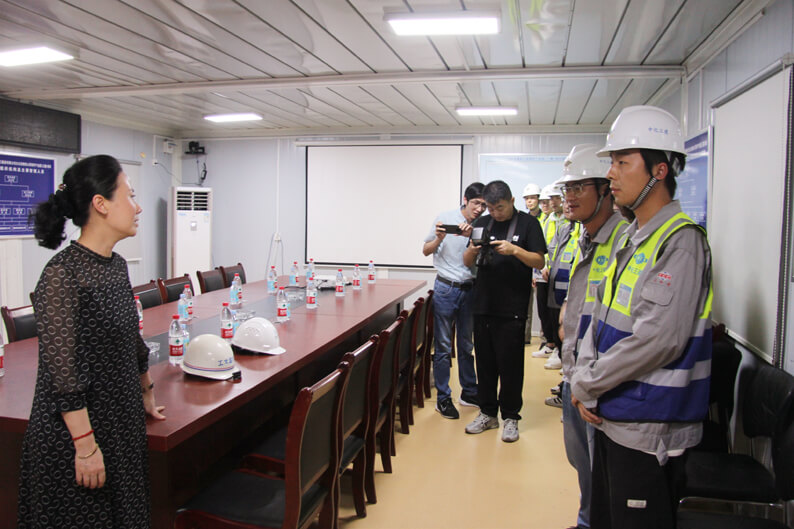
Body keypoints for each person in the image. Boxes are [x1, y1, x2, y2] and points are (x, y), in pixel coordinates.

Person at [570, 106, 712, 529]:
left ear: (659, 170)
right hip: (614, 412)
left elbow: (658, 340)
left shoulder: (680, 242)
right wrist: (584, 378)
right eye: (612, 162)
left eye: (622, 162)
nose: (611, 174)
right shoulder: (632, 238)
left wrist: (588, 383)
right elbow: (597, 315)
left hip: (649, 426)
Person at [18, 155, 166, 529]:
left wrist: (146, 391)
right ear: (101, 204)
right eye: (129, 196)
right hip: (76, 439)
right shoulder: (62, 275)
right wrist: (85, 447)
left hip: (119, 425)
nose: (137, 207)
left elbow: (130, 339)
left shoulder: (115, 265)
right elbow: (63, 375)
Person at [555, 144, 629, 529]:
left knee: (602, 471)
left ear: (605, 190)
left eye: (579, 187)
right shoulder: (583, 236)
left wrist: (592, 385)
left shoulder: (623, 240)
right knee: (582, 463)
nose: (569, 196)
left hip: (597, 383)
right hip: (574, 373)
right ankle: (587, 521)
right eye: (567, 188)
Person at [463, 180, 546, 442]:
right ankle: (487, 413)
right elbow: (467, 261)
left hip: (512, 306)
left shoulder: (528, 224)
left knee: (510, 366)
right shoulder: (481, 223)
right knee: (485, 364)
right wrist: (472, 250)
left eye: (500, 207)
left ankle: (511, 416)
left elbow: (539, 260)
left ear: (511, 201)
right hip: (483, 304)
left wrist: (514, 250)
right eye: (490, 208)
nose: (495, 213)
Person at [423, 183, 486, 419]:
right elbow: (426, 250)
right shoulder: (445, 218)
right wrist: (439, 239)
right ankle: (443, 398)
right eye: (476, 203)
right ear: (465, 200)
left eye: (484, 205)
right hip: (446, 288)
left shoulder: (483, 224)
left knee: (466, 345)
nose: (479, 209)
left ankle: (469, 392)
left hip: (470, 288)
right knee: (442, 346)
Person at [533, 184, 565, 363]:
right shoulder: (549, 220)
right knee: (544, 309)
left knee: (556, 310)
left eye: (556, 198)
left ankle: (559, 349)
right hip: (544, 270)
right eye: (549, 199)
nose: (552, 202)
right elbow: (544, 247)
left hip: (560, 271)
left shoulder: (567, 220)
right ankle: (550, 344)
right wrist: (541, 267)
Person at [522, 182, 542, 344]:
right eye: (527, 198)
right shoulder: (523, 220)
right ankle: (524, 338)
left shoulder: (547, 219)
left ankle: (546, 340)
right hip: (527, 267)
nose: (529, 201)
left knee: (544, 308)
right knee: (525, 305)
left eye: (533, 198)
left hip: (543, 268)